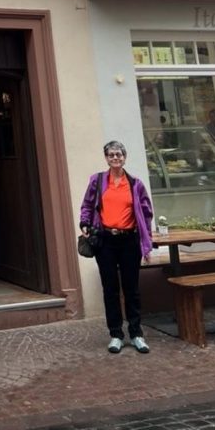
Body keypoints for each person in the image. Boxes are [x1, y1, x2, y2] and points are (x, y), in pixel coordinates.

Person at [79, 140, 154, 354]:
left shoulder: (135, 184)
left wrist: (146, 243)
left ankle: (136, 333)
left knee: (132, 289)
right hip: (105, 241)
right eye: (111, 155)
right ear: (106, 158)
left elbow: (146, 214)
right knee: (110, 289)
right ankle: (116, 334)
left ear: (124, 157)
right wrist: (84, 223)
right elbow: (87, 205)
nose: (115, 158)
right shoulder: (98, 181)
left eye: (119, 154)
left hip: (129, 240)